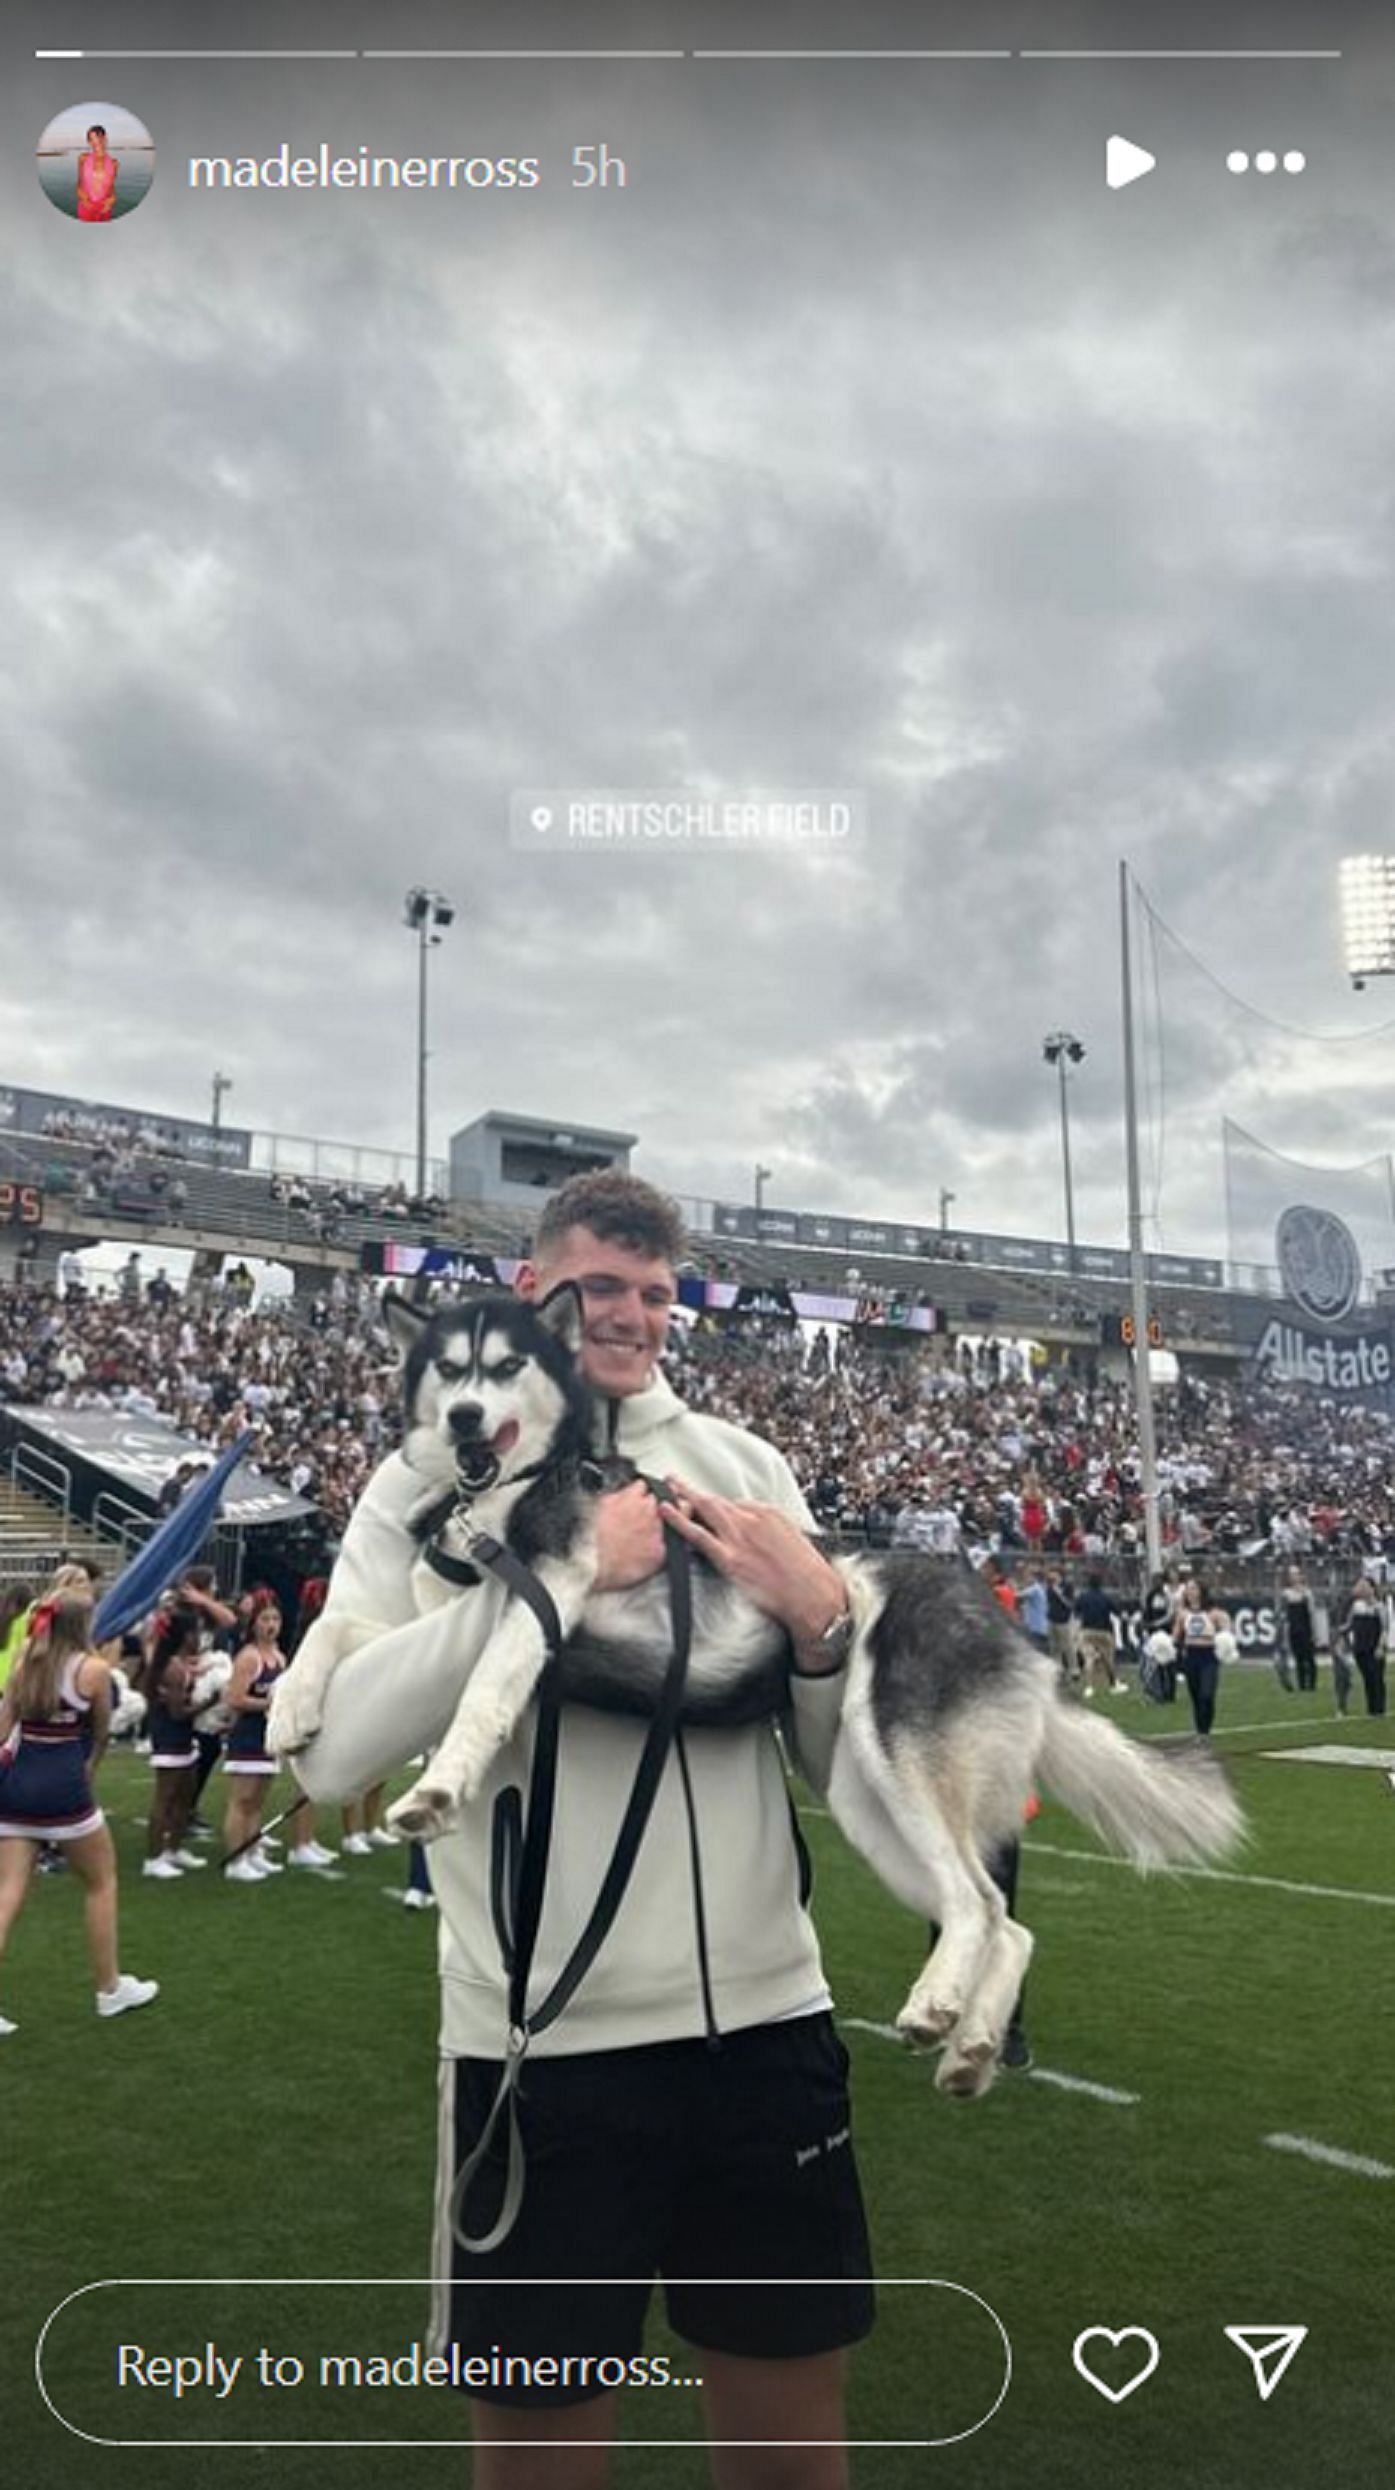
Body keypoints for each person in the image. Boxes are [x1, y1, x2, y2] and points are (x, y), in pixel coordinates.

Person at [279, 1170, 872, 2488]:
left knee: (794, 2459)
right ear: (533, 1288)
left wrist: (823, 1623)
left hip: (769, 2032)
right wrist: (549, 1587)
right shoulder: (418, 1477)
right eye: (598, 1285)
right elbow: (325, 1758)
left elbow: (832, 1768)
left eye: (655, 1293)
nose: (631, 1316)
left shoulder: (745, 1467)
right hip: (541, 2056)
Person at [0, 1592, 159, 2029]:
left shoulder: (23, 1665)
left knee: (8, 1893)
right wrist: (87, 1770)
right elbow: (103, 1732)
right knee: (102, 1881)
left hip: (16, 1787)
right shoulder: (93, 1670)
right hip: (65, 1787)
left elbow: (2, 1733)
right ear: (81, 1625)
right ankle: (109, 1989)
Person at [1173, 1578, 1226, 1739]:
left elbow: (1226, 1631)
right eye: (1188, 1589)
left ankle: (1206, 1729)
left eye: (1193, 1588)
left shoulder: (1214, 1613)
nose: (1190, 1592)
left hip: (1209, 1656)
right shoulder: (1183, 1614)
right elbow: (1175, 1636)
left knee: (1207, 1694)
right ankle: (1200, 1731)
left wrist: (1225, 1639)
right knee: (1196, 1697)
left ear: (1201, 1591)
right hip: (1191, 1656)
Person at [1343, 1577, 1388, 1718]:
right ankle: (1371, 1708)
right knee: (1367, 1678)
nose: (1362, 1589)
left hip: (1374, 1646)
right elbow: (1349, 1624)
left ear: (1372, 1588)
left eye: (1365, 1586)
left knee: (1376, 1677)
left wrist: (1380, 1646)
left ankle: (1379, 1708)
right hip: (1360, 1646)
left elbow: (1384, 1629)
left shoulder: (1379, 1607)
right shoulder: (1357, 1606)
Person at [1280, 1564, 1318, 1694]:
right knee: (1299, 1658)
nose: (1293, 1577)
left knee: (1310, 1657)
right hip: (1294, 1629)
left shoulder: (1307, 1593)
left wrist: (1314, 1632)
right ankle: (1302, 1684)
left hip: (1306, 1628)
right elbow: (1283, 1613)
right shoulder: (1286, 1594)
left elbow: (1312, 1613)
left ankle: (1311, 1684)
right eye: (1291, 1574)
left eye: (1296, 1574)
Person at [76, 124, 119, 222]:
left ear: (105, 138)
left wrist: (113, 198)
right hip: (86, 206)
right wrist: (79, 193)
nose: (95, 142)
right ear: (89, 142)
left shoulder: (114, 163)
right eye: (91, 139)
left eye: (98, 137)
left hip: (104, 208)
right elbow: (79, 182)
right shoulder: (83, 158)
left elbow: (111, 187)